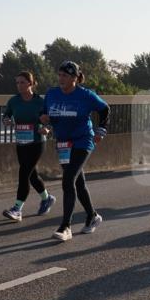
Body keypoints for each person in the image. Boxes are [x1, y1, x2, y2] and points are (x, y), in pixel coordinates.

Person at [40, 61, 109, 241]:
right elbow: (45, 115)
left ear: (75, 78)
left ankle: (66, 226)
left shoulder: (85, 95)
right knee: (78, 183)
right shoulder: (52, 94)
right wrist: (45, 124)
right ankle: (92, 216)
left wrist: (101, 129)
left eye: (65, 75)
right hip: (63, 143)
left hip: (83, 140)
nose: (61, 78)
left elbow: (105, 108)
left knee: (68, 179)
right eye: (60, 75)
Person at [1, 71, 56, 221]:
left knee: (24, 172)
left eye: (22, 82)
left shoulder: (40, 101)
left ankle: (17, 209)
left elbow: (51, 119)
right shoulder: (14, 101)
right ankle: (47, 198)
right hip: (21, 142)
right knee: (31, 175)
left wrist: (47, 128)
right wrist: (6, 120)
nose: (19, 86)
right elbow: (6, 115)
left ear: (31, 84)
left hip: (37, 142)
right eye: (17, 83)